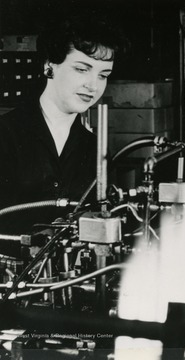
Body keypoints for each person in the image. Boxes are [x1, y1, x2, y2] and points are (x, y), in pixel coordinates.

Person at [0, 13, 121, 235]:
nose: (93, 86)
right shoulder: (6, 135)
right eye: (82, 69)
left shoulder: (96, 149)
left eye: (103, 75)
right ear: (50, 65)